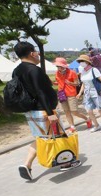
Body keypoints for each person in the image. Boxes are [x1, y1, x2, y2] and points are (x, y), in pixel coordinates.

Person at [15, 42, 81, 180]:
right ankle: (66, 161)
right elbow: (41, 92)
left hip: (31, 111)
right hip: (44, 110)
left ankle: (26, 165)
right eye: (36, 52)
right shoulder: (34, 70)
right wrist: (50, 113)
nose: (38, 54)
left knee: (41, 137)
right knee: (60, 135)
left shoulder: (17, 70)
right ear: (32, 53)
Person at [53, 57, 90, 132]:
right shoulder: (56, 73)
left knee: (74, 111)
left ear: (63, 66)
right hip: (62, 94)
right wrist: (53, 83)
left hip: (71, 94)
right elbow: (59, 82)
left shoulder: (72, 72)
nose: (58, 68)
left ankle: (87, 119)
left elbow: (77, 83)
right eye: (57, 66)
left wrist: (70, 83)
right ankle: (72, 126)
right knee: (66, 111)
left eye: (59, 66)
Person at [75, 54, 101, 133]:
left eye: (82, 61)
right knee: (89, 111)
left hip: (95, 92)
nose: (81, 63)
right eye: (80, 62)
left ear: (87, 62)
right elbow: (83, 83)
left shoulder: (94, 70)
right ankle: (96, 125)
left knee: (100, 110)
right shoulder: (82, 71)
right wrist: (80, 93)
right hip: (87, 93)